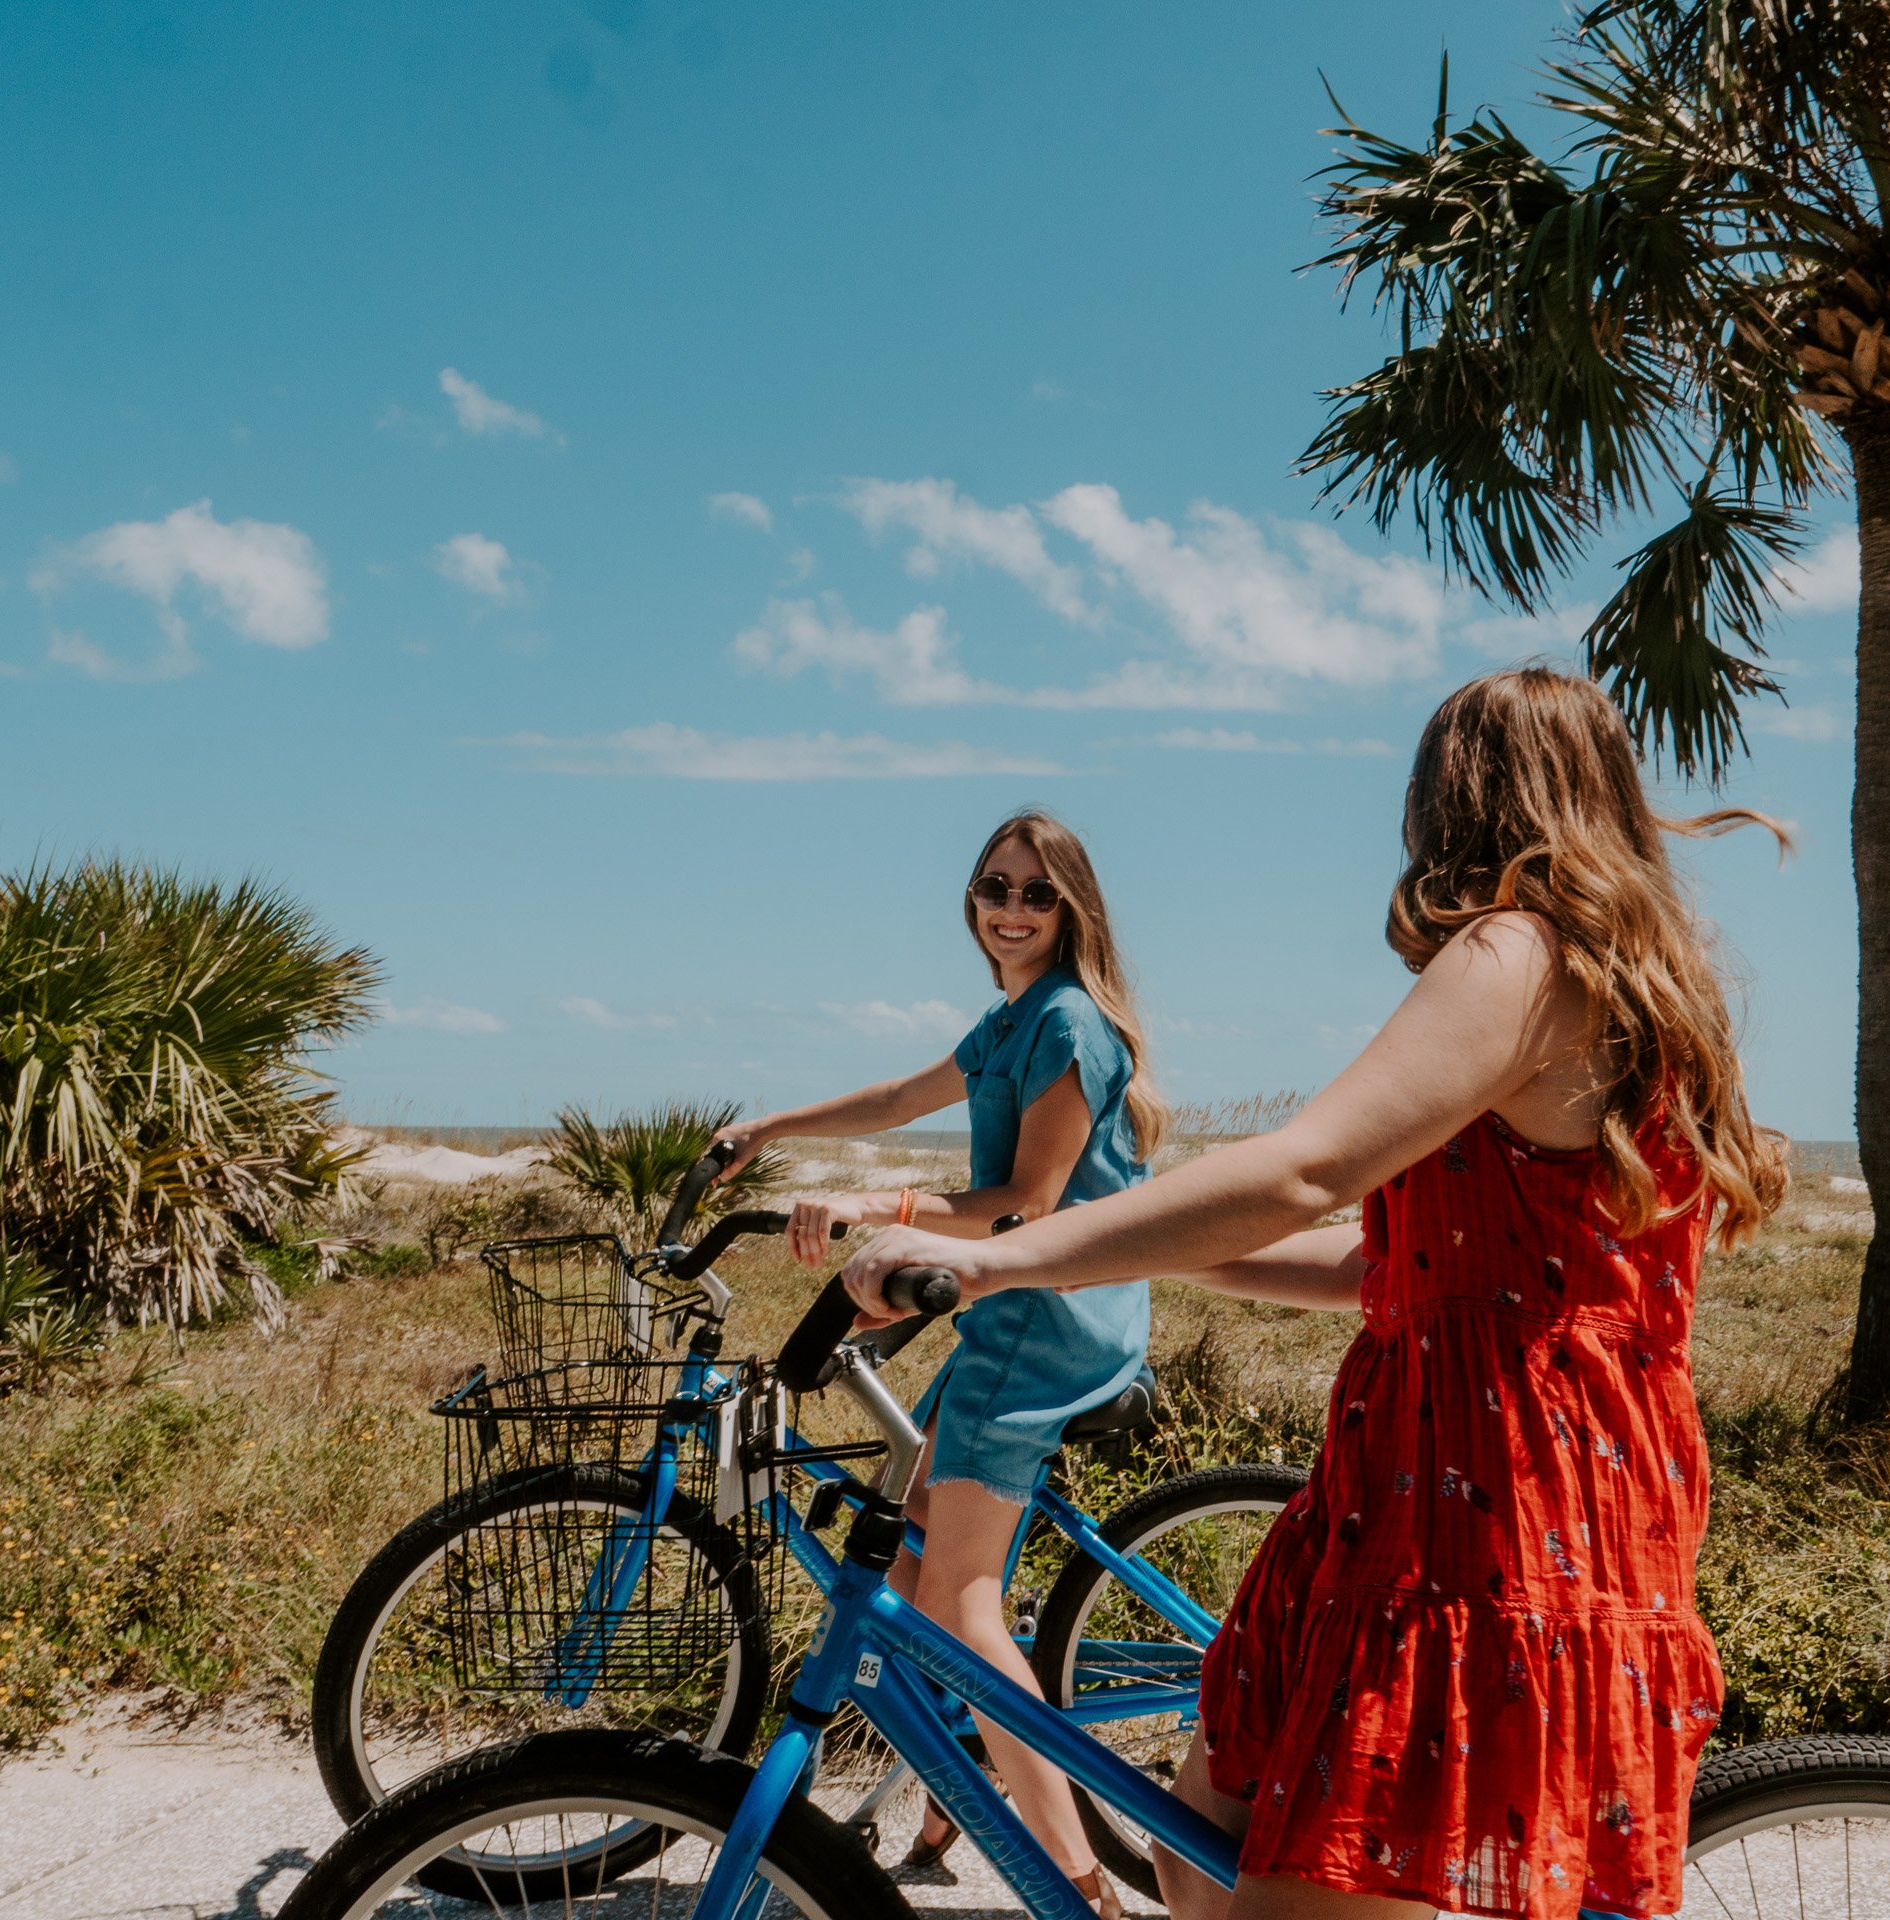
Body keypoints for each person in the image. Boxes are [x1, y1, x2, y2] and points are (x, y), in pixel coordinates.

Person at [843, 666, 1787, 1920]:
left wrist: (998, 1254)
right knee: (1194, 1862)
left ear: (1452, 795)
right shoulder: (1625, 982)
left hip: (1482, 1496)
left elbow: (1307, 1167)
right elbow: (1397, 1266)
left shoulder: (1513, 951)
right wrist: (1145, 1244)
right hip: (1451, 1472)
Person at [711, 808, 1167, 1916]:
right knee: (911, 1567)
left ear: (1073, 910)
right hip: (1015, 1314)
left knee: (958, 1608)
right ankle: (948, 1797)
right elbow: (892, 1101)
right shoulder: (1014, 1016)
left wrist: (878, 1204)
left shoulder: (1065, 1024)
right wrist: (768, 1127)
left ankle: (1081, 1893)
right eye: (992, 888)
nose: (1008, 909)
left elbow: (1028, 1204)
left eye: (1034, 893)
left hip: (1044, 1327)